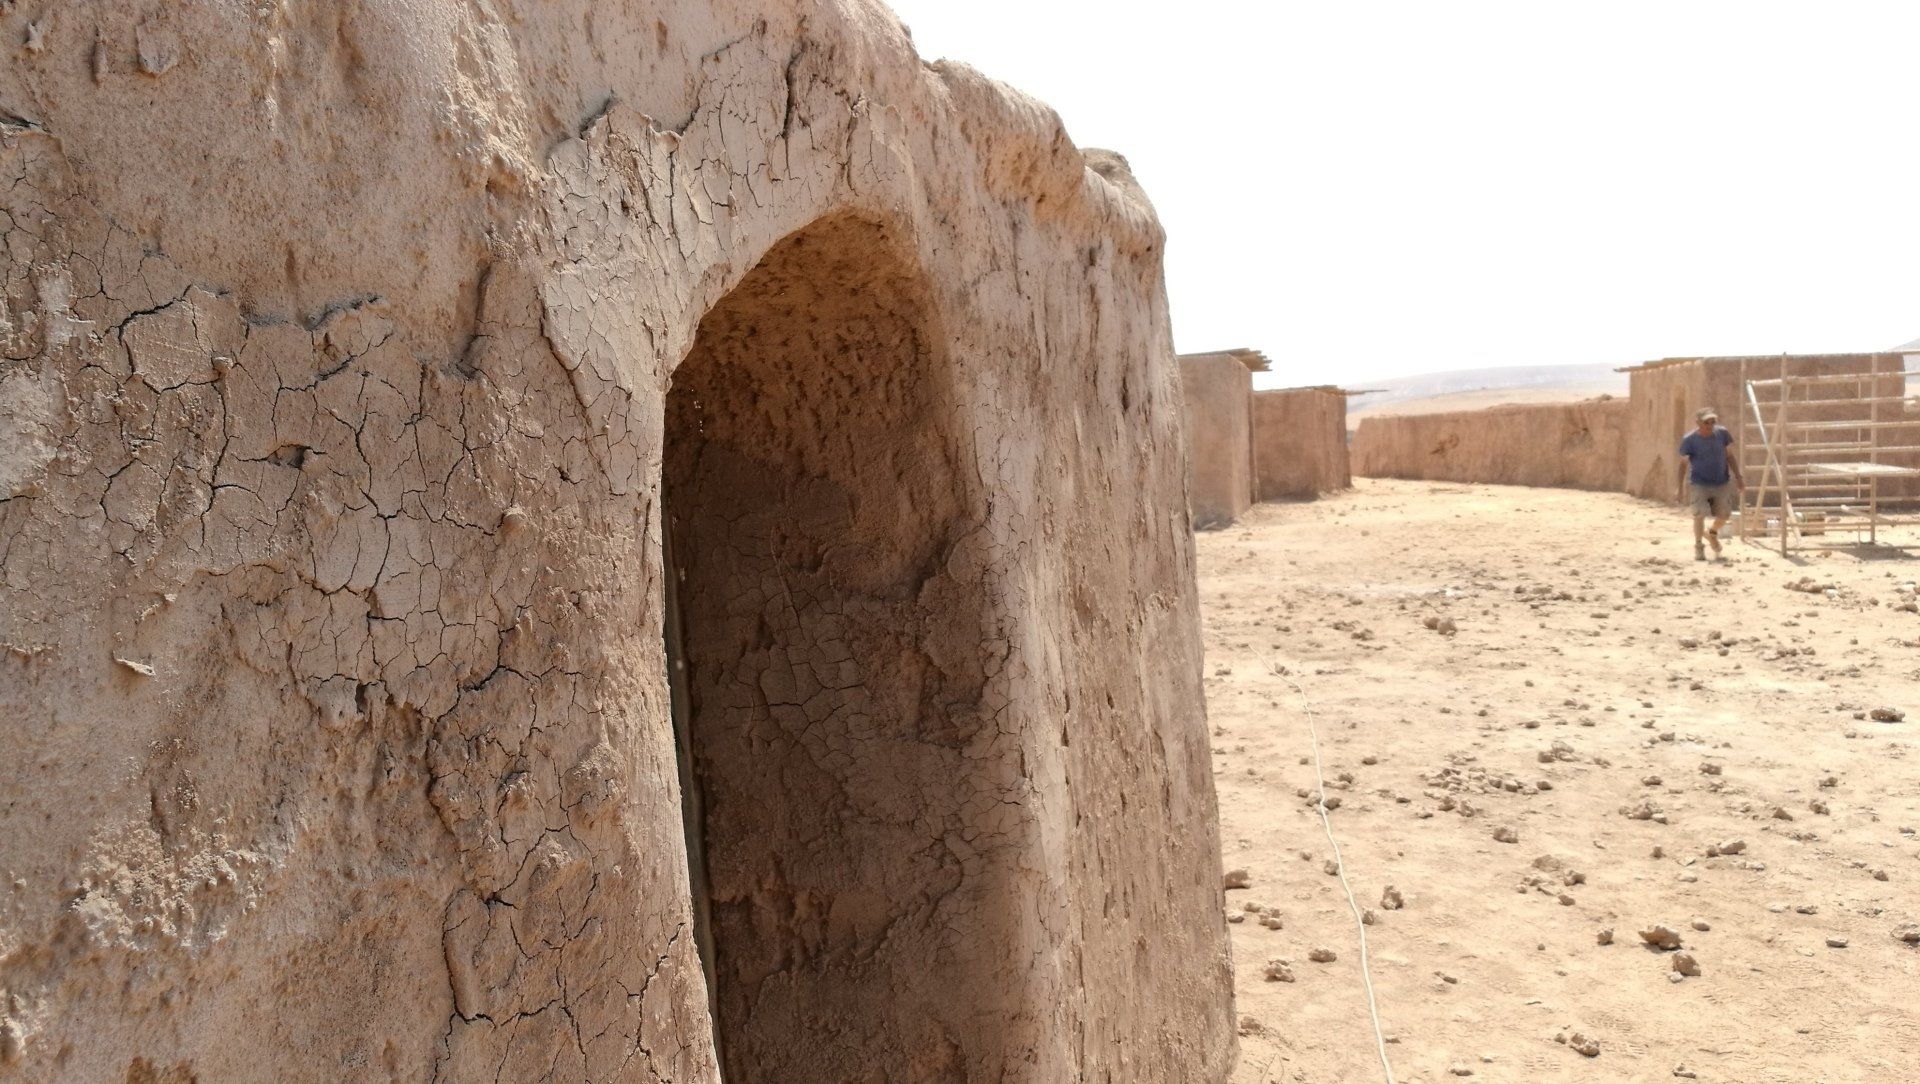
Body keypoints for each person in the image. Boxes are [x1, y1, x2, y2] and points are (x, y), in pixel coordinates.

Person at [1676, 407, 1742, 560]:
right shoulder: (1690, 440)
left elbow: (1730, 456)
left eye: (1713, 422)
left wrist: (1739, 478)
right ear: (1698, 423)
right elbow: (1683, 464)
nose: (1710, 425)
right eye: (1707, 422)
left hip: (1721, 481)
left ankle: (1712, 533)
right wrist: (1679, 488)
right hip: (1699, 483)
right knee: (1699, 514)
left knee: (1724, 515)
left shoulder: (1722, 434)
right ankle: (1699, 546)